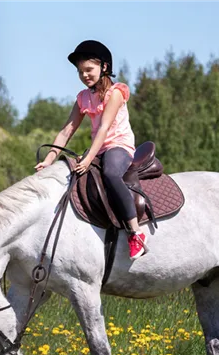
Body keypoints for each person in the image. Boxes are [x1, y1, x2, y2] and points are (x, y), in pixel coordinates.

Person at [34, 40, 149, 260]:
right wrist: (49, 159)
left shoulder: (115, 92)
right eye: (80, 72)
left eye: (89, 70)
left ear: (104, 67)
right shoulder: (83, 98)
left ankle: (136, 233)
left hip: (118, 146)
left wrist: (88, 158)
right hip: (99, 148)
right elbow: (67, 130)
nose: (85, 75)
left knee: (110, 174)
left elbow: (105, 128)